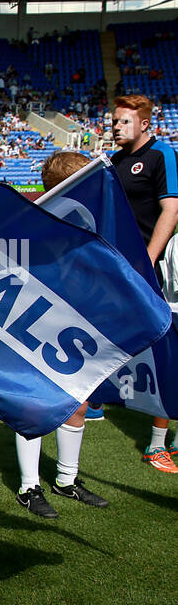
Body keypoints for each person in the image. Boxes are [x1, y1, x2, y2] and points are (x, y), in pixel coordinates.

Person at [14, 151, 108, 517]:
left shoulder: (86, 219)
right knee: (33, 402)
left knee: (78, 400)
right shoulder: (34, 220)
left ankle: (67, 479)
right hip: (37, 319)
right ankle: (28, 486)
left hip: (76, 317)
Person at [110, 95, 178, 472]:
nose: (116, 127)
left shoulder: (160, 154)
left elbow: (171, 208)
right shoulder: (115, 162)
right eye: (115, 121)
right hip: (119, 267)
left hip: (152, 268)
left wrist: (148, 260)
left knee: (163, 345)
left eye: (123, 122)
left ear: (144, 125)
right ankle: (97, 402)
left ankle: (157, 444)